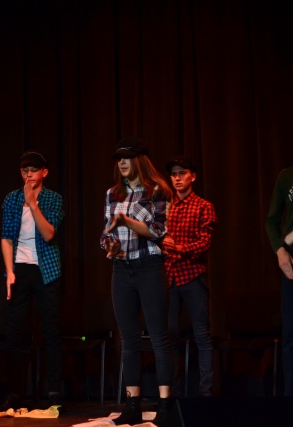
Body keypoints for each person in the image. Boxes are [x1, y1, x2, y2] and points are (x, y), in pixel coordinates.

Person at [100, 137, 174, 426]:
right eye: (119, 158)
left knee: (158, 337)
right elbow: (106, 233)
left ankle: (165, 405)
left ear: (139, 161)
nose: (121, 162)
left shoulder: (157, 191)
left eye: (127, 158)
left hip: (150, 268)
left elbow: (158, 231)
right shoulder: (112, 193)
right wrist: (110, 246)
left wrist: (126, 221)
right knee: (128, 339)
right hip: (122, 270)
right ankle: (132, 405)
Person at [0, 151, 64, 411]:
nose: (29, 175)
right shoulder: (12, 199)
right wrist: (9, 272)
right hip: (20, 269)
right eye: (25, 170)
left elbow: (49, 234)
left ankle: (54, 392)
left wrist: (33, 204)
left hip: (46, 270)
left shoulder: (53, 198)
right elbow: (6, 237)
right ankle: (15, 393)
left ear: (44, 173)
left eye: (33, 170)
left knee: (51, 331)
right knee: (15, 332)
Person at [163, 156, 217, 398]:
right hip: (169, 277)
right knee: (170, 336)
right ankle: (171, 395)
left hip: (193, 275)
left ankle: (205, 393)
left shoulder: (203, 206)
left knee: (202, 335)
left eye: (181, 173)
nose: (177, 178)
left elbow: (205, 242)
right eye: (173, 174)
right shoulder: (166, 206)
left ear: (192, 177)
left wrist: (179, 248)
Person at [265, 165, 293, 397]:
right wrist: (280, 250)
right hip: (291, 258)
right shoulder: (286, 177)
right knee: (291, 333)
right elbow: (271, 221)